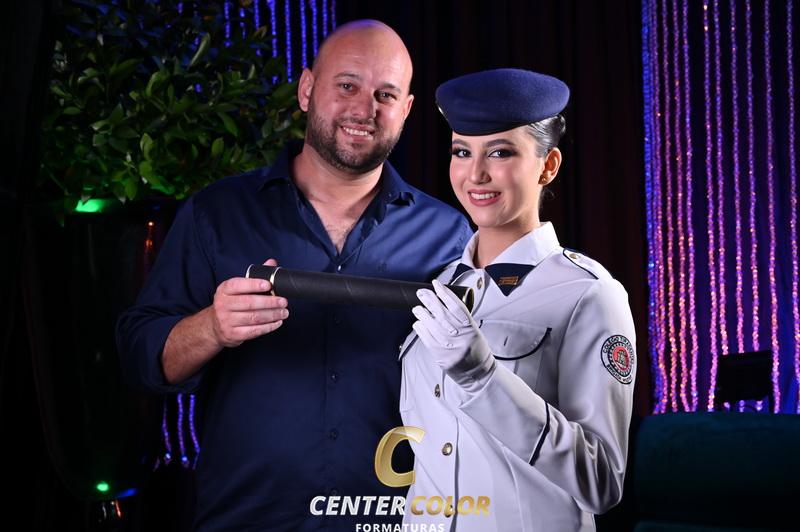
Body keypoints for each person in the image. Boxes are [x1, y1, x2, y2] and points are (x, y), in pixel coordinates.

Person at [116, 20, 471, 531]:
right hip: (246, 520)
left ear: (406, 110)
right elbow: (140, 357)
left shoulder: (448, 234)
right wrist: (212, 327)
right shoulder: (218, 213)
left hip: (392, 518)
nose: (365, 109)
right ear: (307, 90)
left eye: (385, 94)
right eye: (346, 85)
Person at [399, 69, 636, 531]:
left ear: (548, 165)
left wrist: (484, 379)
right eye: (462, 152)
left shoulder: (589, 294)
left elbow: (603, 481)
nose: (475, 174)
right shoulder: (440, 286)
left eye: (500, 152)